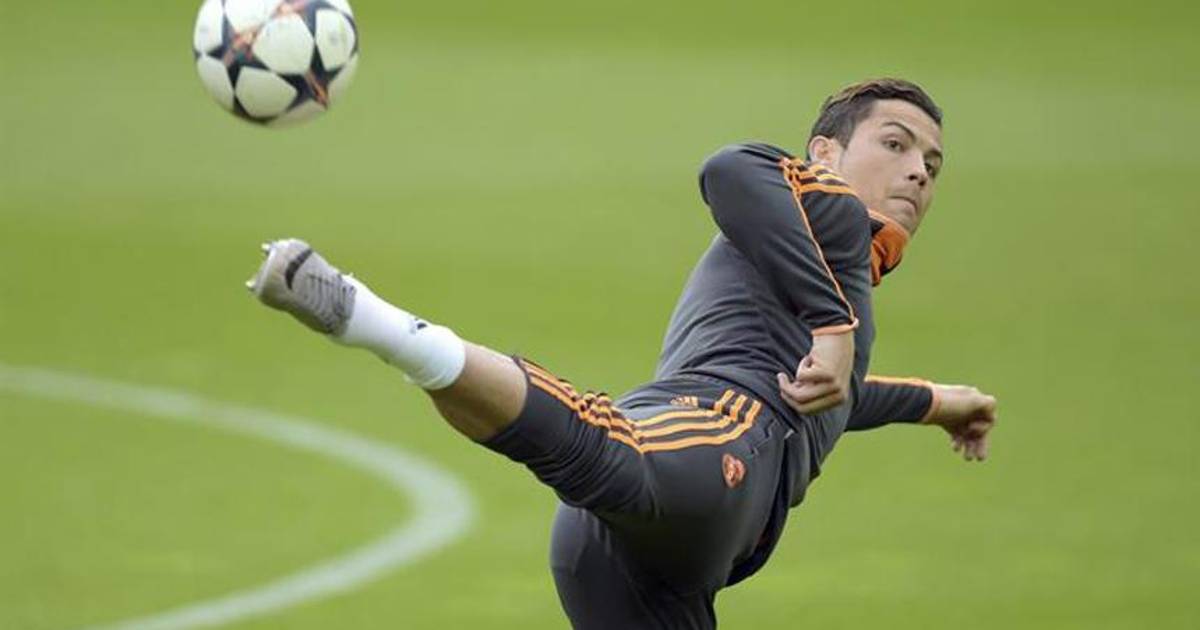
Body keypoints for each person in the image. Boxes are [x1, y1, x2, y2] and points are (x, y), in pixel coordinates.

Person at [246, 77, 998, 629]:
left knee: (606, 457)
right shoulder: (825, 206)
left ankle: (387, 331)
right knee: (604, 445)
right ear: (825, 154)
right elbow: (730, 169)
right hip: (709, 441)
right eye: (895, 144)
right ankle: (370, 319)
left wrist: (937, 403)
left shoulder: (842, 273)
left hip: (659, 560)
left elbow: (831, 397)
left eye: (932, 165)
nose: (917, 171)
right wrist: (834, 327)